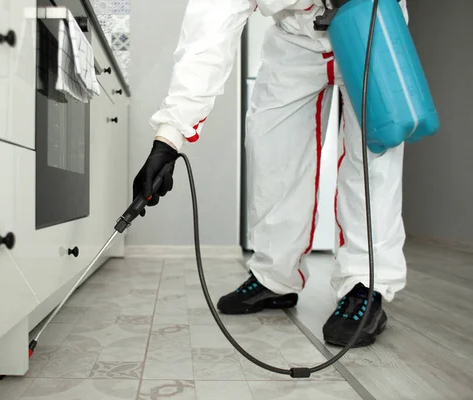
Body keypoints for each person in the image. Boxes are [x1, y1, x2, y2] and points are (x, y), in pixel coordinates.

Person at [132, 0, 409, 347]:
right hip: (295, 37)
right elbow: (207, 36)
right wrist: (169, 139)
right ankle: (275, 278)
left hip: (369, 20)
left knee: (372, 153)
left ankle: (365, 285)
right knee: (271, 152)